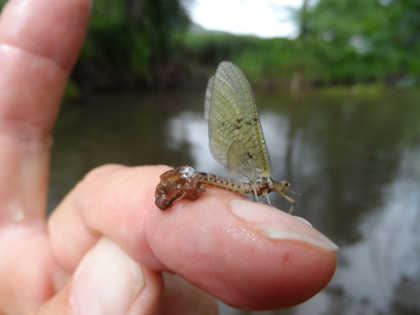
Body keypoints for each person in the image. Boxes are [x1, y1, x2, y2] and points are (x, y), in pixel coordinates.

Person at [0, 1, 337, 314]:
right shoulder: (261, 176)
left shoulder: (265, 184)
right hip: (208, 181)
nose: (284, 190)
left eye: (283, 189)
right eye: (283, 188)